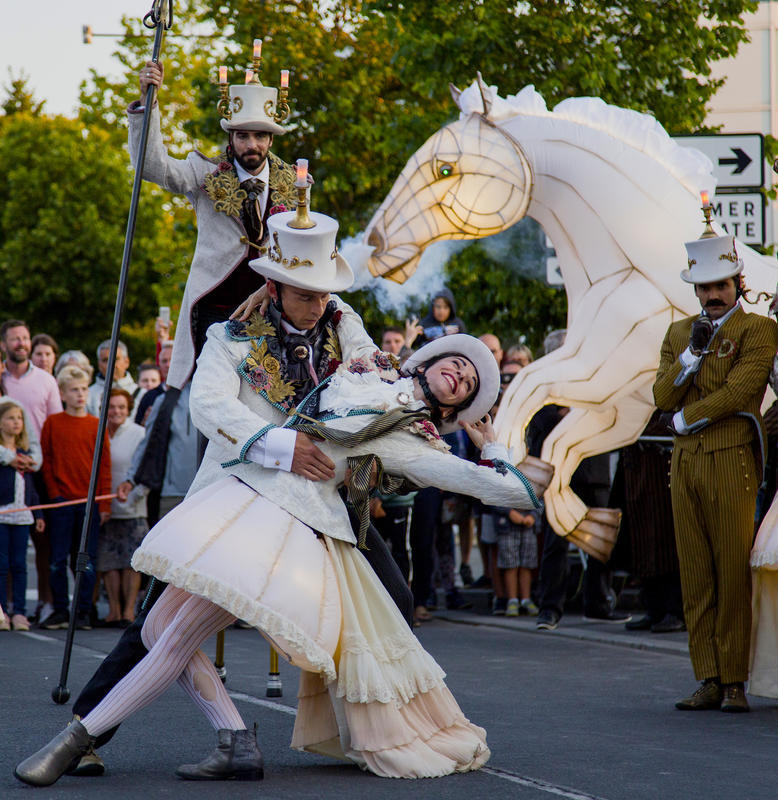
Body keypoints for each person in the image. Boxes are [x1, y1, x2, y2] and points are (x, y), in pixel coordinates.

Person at [15, 209, 539, 788]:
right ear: (272, 287)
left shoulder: (353, 339)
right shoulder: (235, 336)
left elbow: (389, 388)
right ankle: (133, 733)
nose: (318, 304)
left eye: (325, 295)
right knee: (158, 620)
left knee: (391, 599)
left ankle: (387, 719)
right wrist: (282, 445)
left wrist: (484, 450)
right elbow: (211, 409)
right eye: (304, 292)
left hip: (313, 511)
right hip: (234, 489)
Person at [654, 231, 778, 713]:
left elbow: (741, 392)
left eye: (721, 285)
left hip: (731, 457)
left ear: (738, 283)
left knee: (731, 572)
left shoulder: (759, 330)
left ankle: (734, 681)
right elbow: (660, 396)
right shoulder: (678, 334)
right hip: (684, 463)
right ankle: (706, 676)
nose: (712, 295)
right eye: (704, 288)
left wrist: (687, 417)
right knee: (696, 574)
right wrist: (689, 358)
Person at [128, 58, 299, 391]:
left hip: (272, 312)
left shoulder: (294, 184)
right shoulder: (205, 174)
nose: (252, 145)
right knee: (212, 402)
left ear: (271, 140)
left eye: (260, 136)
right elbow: (153, 167)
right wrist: (149, 101)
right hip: (214, 312)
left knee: (272, 399)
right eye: (244, 136)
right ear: (231, 137)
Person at [39, 366, 112, 631]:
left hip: (89, 505)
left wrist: (104, 503)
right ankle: (60, 609)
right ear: (63, 393)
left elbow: (104, 465)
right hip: (61, 504)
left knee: (85, 560)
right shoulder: (53, 423)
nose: (80, 394)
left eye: (83, 389)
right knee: (58, 560)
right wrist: (54, 494)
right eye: (74, 390)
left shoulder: (97, 424)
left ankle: (82, 610)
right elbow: (47, 462)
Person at [97, 389, 148, 627]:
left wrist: (136, 496)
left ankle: (128, 612)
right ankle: (114, 611)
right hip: (105, 508)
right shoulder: (97, 432)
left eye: (121, 407)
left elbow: (147, 468)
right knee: (108, 562)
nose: (116, 411)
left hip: (134, 507)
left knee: (131, 562)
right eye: (111, 407)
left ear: (128, 409)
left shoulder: (139, 433)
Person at [0, 400, 44, 631]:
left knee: (19, 565)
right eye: (10, 418)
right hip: (2, 515)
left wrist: (38, 513)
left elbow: (31, 488)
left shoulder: (24, 455)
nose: (16, 422)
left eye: (19, 418)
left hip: (21, 516)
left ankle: (19, 612)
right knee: (1, 563)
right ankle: (2, 612)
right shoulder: (3, 457)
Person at [0, 319, 62, 438]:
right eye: (15, 339)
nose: (21, 343)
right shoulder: (0, 377)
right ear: (3, 345)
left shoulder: (47, 380)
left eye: (25, 338)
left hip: (37, 454)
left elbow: (56, 424)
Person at [87, 339, 138, 417]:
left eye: (116, 359)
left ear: (126, 362)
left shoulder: (142, 393)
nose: (110, 365)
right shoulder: (88, 395)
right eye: (105, 360)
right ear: (99, 364)